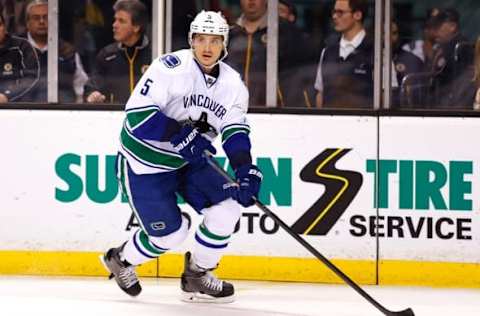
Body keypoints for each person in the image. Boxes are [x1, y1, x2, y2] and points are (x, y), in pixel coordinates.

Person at [101, 10, 263, 303]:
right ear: (191, 40)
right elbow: (137, 117)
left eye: (215, 40)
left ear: (224, 44)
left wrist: (245, 168)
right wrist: (178, 133)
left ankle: (197, 274)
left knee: (227, 209)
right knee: (171, 236)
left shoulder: (233, 85)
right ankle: (122, 259)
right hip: (144, 163)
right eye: (201, 39)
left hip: (187, 160)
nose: (207, 47)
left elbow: (235, 132)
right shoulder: (170, 67)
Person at [228, 0, 316, 106]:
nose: (251, 1)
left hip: (275, 113)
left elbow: (301, 79)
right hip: (233, 111)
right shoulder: (229, 34)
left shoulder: (286, 31)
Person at [84, 0, 151, 104]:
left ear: (136, 27)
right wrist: (92, 94)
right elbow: (92, 84)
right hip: (114, 117)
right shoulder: (107, 55)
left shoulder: (154, 54)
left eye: (121, 21)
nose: (114, 25)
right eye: (115, 20)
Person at [22, 0, 88, 103]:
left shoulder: (67, 51)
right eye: (36, 18)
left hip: (62, 113)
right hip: (22, 113)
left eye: (46, 17)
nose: (41, 21)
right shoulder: (17, 50)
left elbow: (80, 88)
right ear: (27, 23)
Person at [314, 0, 374, 108]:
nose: (334, 16)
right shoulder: (327, 52)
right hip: (331, 122)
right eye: (334, 12)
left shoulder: (377, 52)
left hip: (365, 122)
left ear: (357, 15)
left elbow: (387, 94)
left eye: (340, 12)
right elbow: (320, 93)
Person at [0, 12, 40, 103]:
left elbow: (31, 76)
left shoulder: (22, 46)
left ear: (5, 28)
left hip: (19, 107)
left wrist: (7, 95)